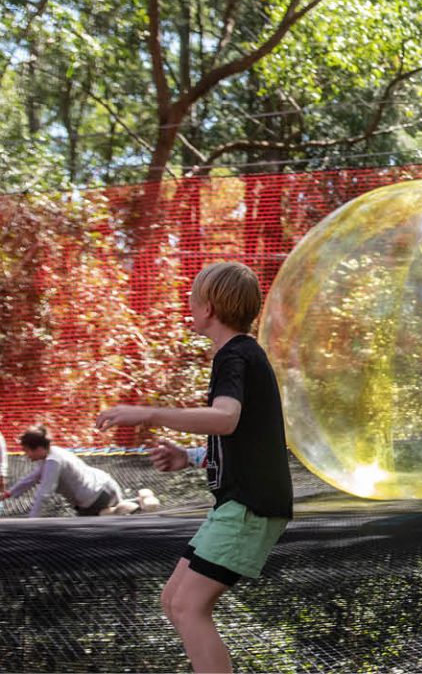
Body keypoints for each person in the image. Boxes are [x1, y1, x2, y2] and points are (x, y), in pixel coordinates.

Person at [96, 261, 293, 674]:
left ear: (209, 308)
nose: (188, 303)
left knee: (188, 606)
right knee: (173, 600)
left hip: (250, 506)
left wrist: (149, 413)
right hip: (237, 504)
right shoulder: (240, 355)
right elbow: (245, 438)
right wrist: (190, 457)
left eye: (192, 297)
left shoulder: (235, 354)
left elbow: (225, 419)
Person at [1, 426, 139, 517]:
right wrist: (8, 494)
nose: (26, 455)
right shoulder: (51, 454)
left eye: (27, 451)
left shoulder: (53, 461)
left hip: (97, 497)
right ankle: (136, 503)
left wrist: (32, 521)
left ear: (38, 449)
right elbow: (32, 478)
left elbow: (44, 493)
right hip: (104, 488)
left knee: (92, 526)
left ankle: (130, 507)